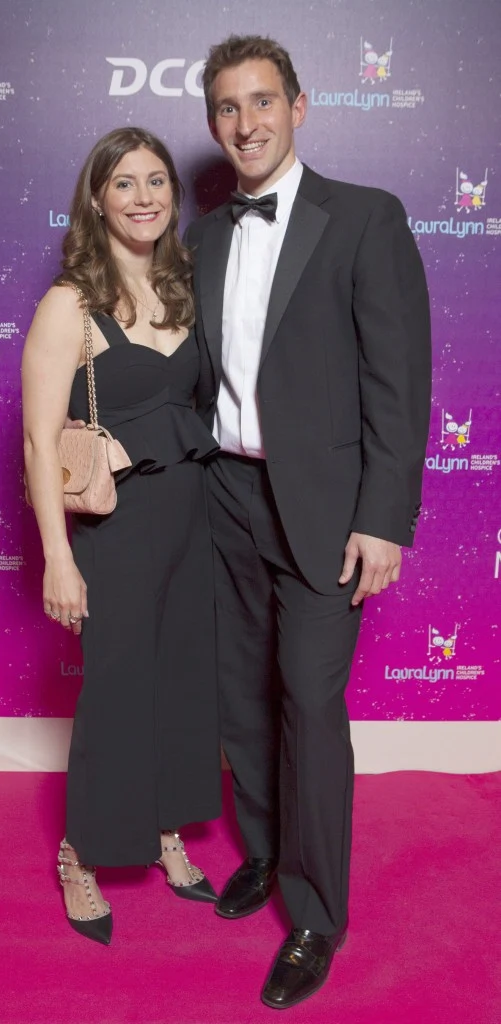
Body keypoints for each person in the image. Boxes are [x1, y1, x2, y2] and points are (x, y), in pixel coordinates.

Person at [184, 35, 431, 1010]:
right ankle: (262, 850)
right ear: (212, 122)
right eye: (227, 107)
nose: (245, 123)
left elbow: (397, 383)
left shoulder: (364, 218)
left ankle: (316, 912)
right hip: (224, 496)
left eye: (261, 101)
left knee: (308, 703)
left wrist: (384, 519)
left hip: (326, 511)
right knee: (240, 698)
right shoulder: (204, 237)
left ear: (297, 105)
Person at [22, 127, 221, 946]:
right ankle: (80, 853)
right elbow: (40, 442)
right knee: (115, 689)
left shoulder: (184, 285)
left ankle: (167, 828)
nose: (144, 197)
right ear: (98, 200)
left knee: (184, 681)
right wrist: (58, 560)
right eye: (125, 184)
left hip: (195, 516)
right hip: (120, 522)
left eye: (157, 181)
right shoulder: (70, 302)